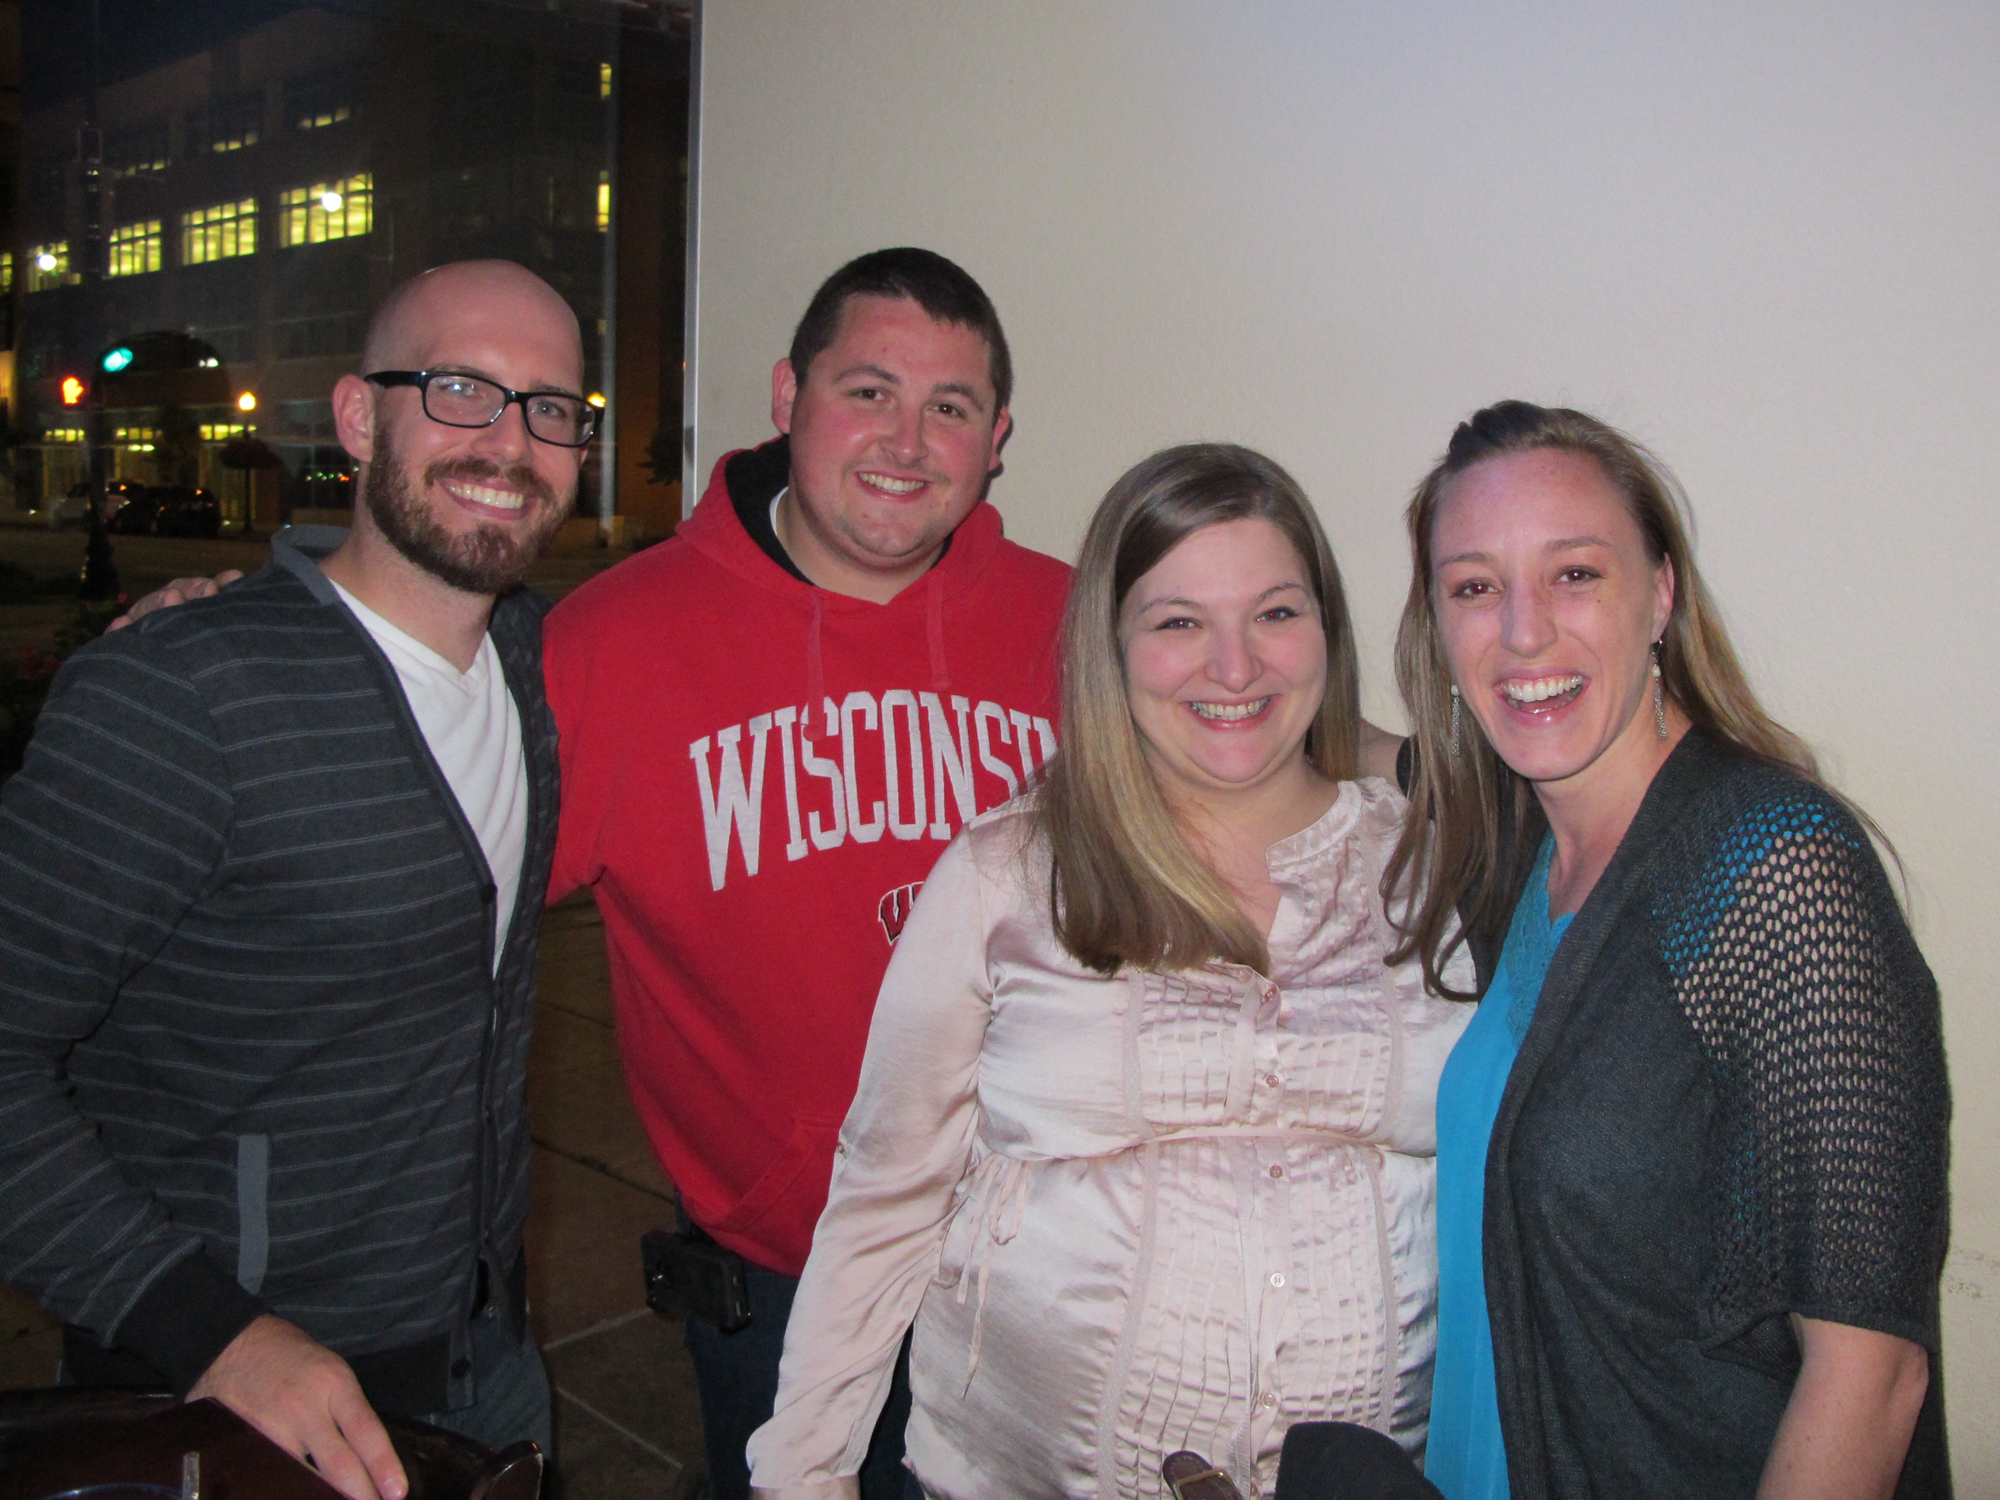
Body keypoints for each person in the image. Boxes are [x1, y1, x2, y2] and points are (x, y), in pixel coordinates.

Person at [744, 444, 1472, 1500]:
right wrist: (802, 1475)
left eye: (1274, 613)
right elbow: (884, 1198)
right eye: (1177, 622)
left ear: (1325, 629)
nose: (1234, 666)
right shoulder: (1003, 873)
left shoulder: (1437, 873)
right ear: (1110, 645)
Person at [0, 260, 591, 1500]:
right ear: (360, 417)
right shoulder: (183, 696)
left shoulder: (533, 665)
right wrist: (208, 1330)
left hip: (485, 1369)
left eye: (550, 407)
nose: (509, 440)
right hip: (238, 1402)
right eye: (460, 389)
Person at [541, 248, 1074, 1499]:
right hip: (786, 1284)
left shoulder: (1073, 622)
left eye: (949, 407)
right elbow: (442, 867)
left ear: (995, 438)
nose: (906, 438)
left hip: (1046, 1267)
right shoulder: (611, 643)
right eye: (867, 390)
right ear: (786, 397)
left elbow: (1248, 735)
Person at [1384, 401, 1950, 1498]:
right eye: (1472, 587)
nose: (1521, 633)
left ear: (1660, 596)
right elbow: (1367, 754)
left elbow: (1869, 1374)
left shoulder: (1771, 871)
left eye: (1574, 575)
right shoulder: (1520, 854)